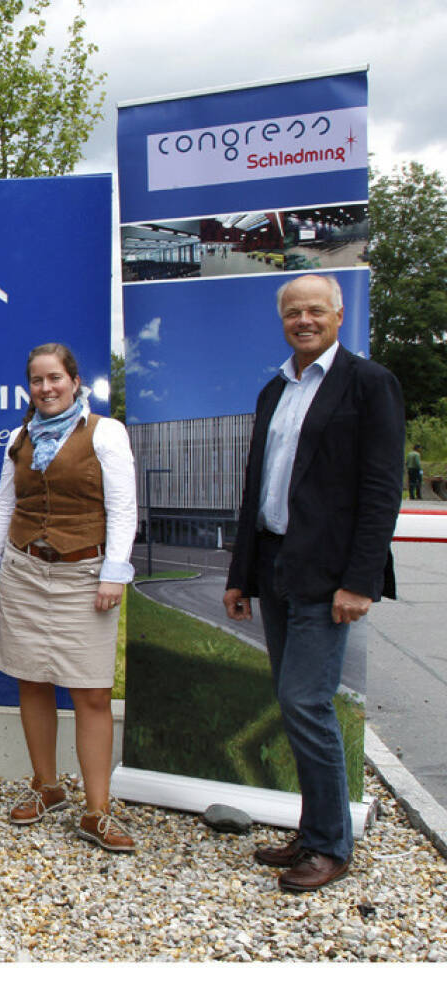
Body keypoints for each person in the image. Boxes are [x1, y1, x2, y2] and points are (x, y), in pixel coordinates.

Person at [223, 274, 404, 893]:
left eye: (315, 310)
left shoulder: (369, 384)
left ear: (338, 313)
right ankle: (314, 830)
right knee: (295, 704)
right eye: (293, 312)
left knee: (307, 702)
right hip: (273, 566)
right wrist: (240, 573)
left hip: (329, 580)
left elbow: (382, 492)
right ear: (283, 320)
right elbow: (257, 490)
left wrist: (361, 582)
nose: (304, 319)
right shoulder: (276, 389)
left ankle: (330, 844)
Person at [0, 343, 139, 853]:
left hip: (84, 574)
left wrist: (114, 574)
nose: (46, 388)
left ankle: (98, 812)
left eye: (55, 378)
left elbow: (124, 509)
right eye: (37, 380)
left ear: (74, 380)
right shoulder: (17, 438)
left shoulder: (106, 432)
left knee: (90, 692)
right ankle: (47, 787)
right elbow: (4, 506)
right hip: (24, 572)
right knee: (33, 680)